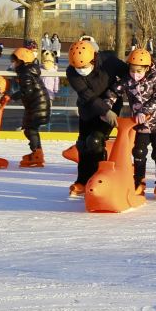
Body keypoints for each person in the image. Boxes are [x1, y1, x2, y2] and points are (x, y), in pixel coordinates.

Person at [111, 48, 156, 199]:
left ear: (147, 67)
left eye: (139, 71)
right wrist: (105, 109)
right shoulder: (127, 79)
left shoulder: (155, 77)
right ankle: (139, 182)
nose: (135, 74)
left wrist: (144, 111)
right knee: (138, 153)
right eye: (132, 70)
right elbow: (114, 92)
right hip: (141, 124)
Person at [64, 39, 116, 197]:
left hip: (110, 108)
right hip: (88, 110)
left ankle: (99, 178)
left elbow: (131, 73)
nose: (80, 70)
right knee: (83, 145)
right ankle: (82, 180)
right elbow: (87, 95)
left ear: (93, 59)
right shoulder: (71, 72)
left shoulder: (109, 62)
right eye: (77, 67)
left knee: (95, 141)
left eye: (84, 67)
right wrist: (104, 110)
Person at [9, 45, 50, 168]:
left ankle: (37, 154)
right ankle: (37, 152)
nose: (12, 64)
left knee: (30, 129)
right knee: (30, 129)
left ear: (21, 61)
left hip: (38, 106)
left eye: (14, 61)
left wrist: (12, 97)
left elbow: (27, 90)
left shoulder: (25, 72)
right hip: (37, 105)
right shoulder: (27, 71)